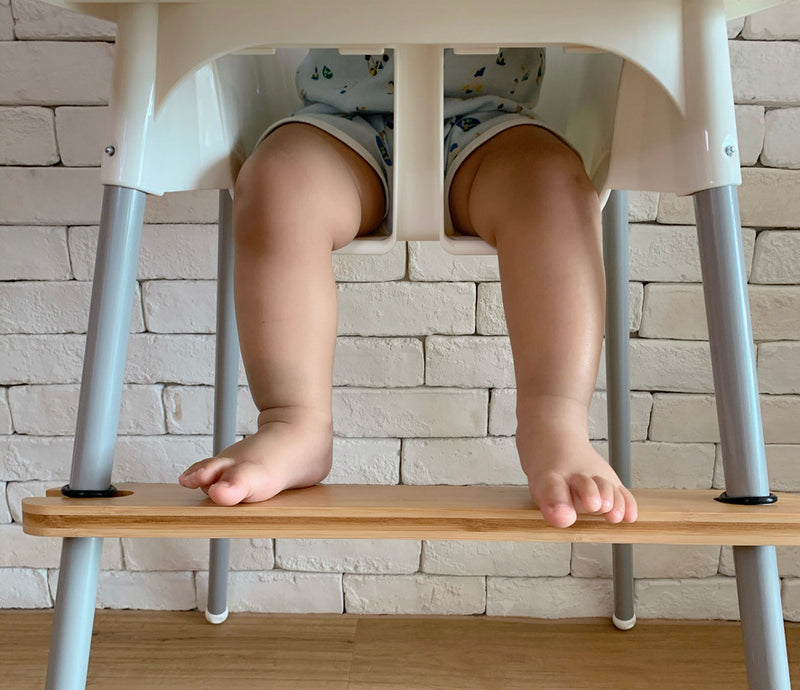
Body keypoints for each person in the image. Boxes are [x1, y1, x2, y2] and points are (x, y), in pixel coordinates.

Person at [179, 48, 638, 529]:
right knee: (278, 184)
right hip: (338, 119)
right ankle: (291, 418)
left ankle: (557, 422)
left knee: (554, 190)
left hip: (493, 120)